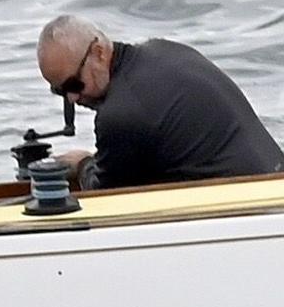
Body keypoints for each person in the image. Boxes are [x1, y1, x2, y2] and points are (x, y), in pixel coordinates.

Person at [35, 15, 284, 190]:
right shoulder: (164, 50)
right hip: (273, 182)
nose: (73, 98)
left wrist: (83, 164)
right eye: (60, 92)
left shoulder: (119, 115)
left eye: (73, 85)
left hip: (246, 213)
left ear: (99, 53)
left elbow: (106, 197)